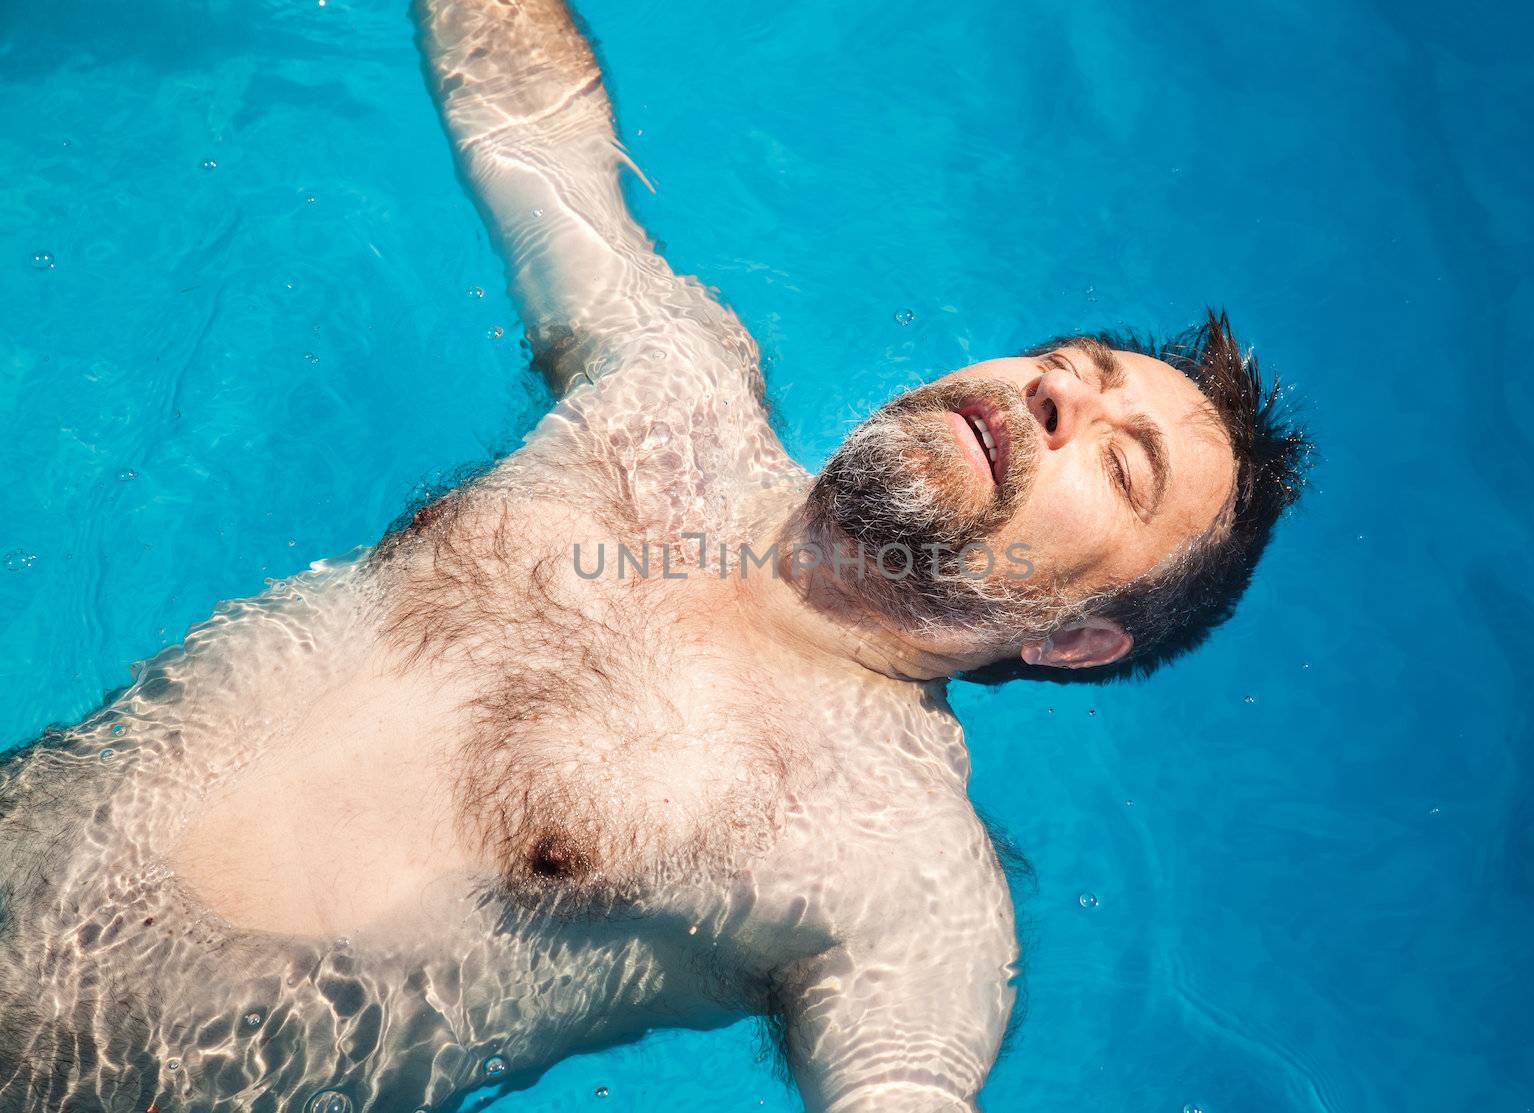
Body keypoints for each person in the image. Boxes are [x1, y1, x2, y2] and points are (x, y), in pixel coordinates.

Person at [0, 1, 1311, 1109]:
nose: (1054, 398)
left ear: (1077, 638)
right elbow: (532, 130)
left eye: (1119, 464)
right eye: (1064, 368)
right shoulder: (667, 388)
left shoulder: (901, 867)